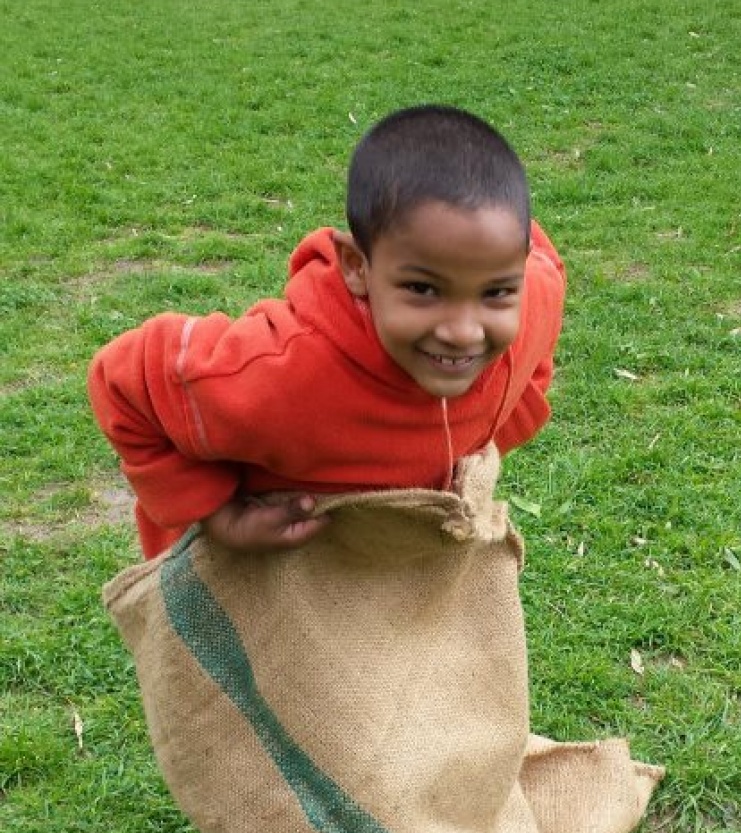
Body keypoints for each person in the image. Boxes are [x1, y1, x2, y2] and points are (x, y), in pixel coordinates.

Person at [88, 105, 566, 559]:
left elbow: (547, 284)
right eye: (423, 288)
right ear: (357, 266)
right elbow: (124, 379)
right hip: (261, 595)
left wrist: (497, 425)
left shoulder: (531, 298)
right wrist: (215, 514)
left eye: (496, 292)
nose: (463, 332)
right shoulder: (283, 372)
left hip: (398, 586)